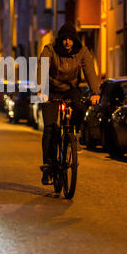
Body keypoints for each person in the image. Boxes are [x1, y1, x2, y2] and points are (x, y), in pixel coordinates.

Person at [37, 22, 100, 185]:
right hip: (50, 89)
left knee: (80, 107)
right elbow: (42, 67)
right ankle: (48, 165)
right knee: (50, 127)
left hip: (70, 89)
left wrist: (95, 92)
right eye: (64, 39)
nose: (67, 42)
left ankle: (73, 135)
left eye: (70, 39)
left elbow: (90, 71)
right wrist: (41, 90)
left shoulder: (82, 51)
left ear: (75, 40)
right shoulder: (50, 50)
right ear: (60, 40)